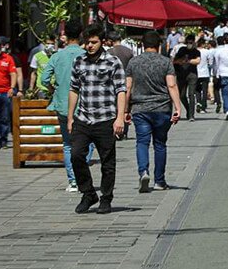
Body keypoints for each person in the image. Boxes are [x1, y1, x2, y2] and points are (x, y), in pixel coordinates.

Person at [67, 24, 126, 214]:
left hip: (106, 118)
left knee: (107, 162)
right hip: (83, 118)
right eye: (87, 42)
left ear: (102, 42)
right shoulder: (79, 62)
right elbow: (74, 89)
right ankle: (88, 193)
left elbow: (121, 91)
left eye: (93, 42)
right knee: (76, 155)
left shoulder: (113, 62)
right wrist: (70, 117)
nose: (90, 46)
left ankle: (106, 198)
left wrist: (120, 118)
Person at [125, 31, 182, 192]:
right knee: (160, 144)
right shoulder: (166, 62)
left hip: (140, 109)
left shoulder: (133, 63)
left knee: (142, 142)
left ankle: (143, 171)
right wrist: (178, 107)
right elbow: (171, 85)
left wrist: (124, 109)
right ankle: (159, 181)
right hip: (162, 109)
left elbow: (128, 87)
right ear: (159, 45)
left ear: (143, 45)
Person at [41, 21, 94, 192]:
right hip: (85, 105)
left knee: (67, 143)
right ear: (80, 35)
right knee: (89, 141)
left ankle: (73, 180)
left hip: (63, 104)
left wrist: (54, 89)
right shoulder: (86, 55)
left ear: (65, 36)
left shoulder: (57, 56)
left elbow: (43, 79)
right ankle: (81, 173)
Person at [173, 34, 201, 121]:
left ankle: (191, 115)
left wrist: (188, 61)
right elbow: (174, 60)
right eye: (188, 42)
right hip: (181, 75)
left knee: (191, 94)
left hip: (192, 75)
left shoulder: (196, 51)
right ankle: (188, 109)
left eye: (191, 42)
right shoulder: (182, 50)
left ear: (194, 43)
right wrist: (181, 61)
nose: (189, 44)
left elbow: (198, 61)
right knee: (181, 95)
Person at [28, 35, 56, 99]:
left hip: (55, 88)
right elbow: (34, 73)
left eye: (52, 44)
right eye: (48, 43)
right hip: (41, 88)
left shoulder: (57, 56)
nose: (50, 45)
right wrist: (31, 88)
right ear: (44, 44)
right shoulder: (37, 56)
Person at [195, 38, 212, 113]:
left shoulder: (194, 51)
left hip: (196, 73)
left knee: (197, 90)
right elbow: (210, 62)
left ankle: (198, 102)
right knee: (205, 90)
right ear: (203, 44)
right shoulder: (207, 52)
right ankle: (203, 106)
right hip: (205, 73)